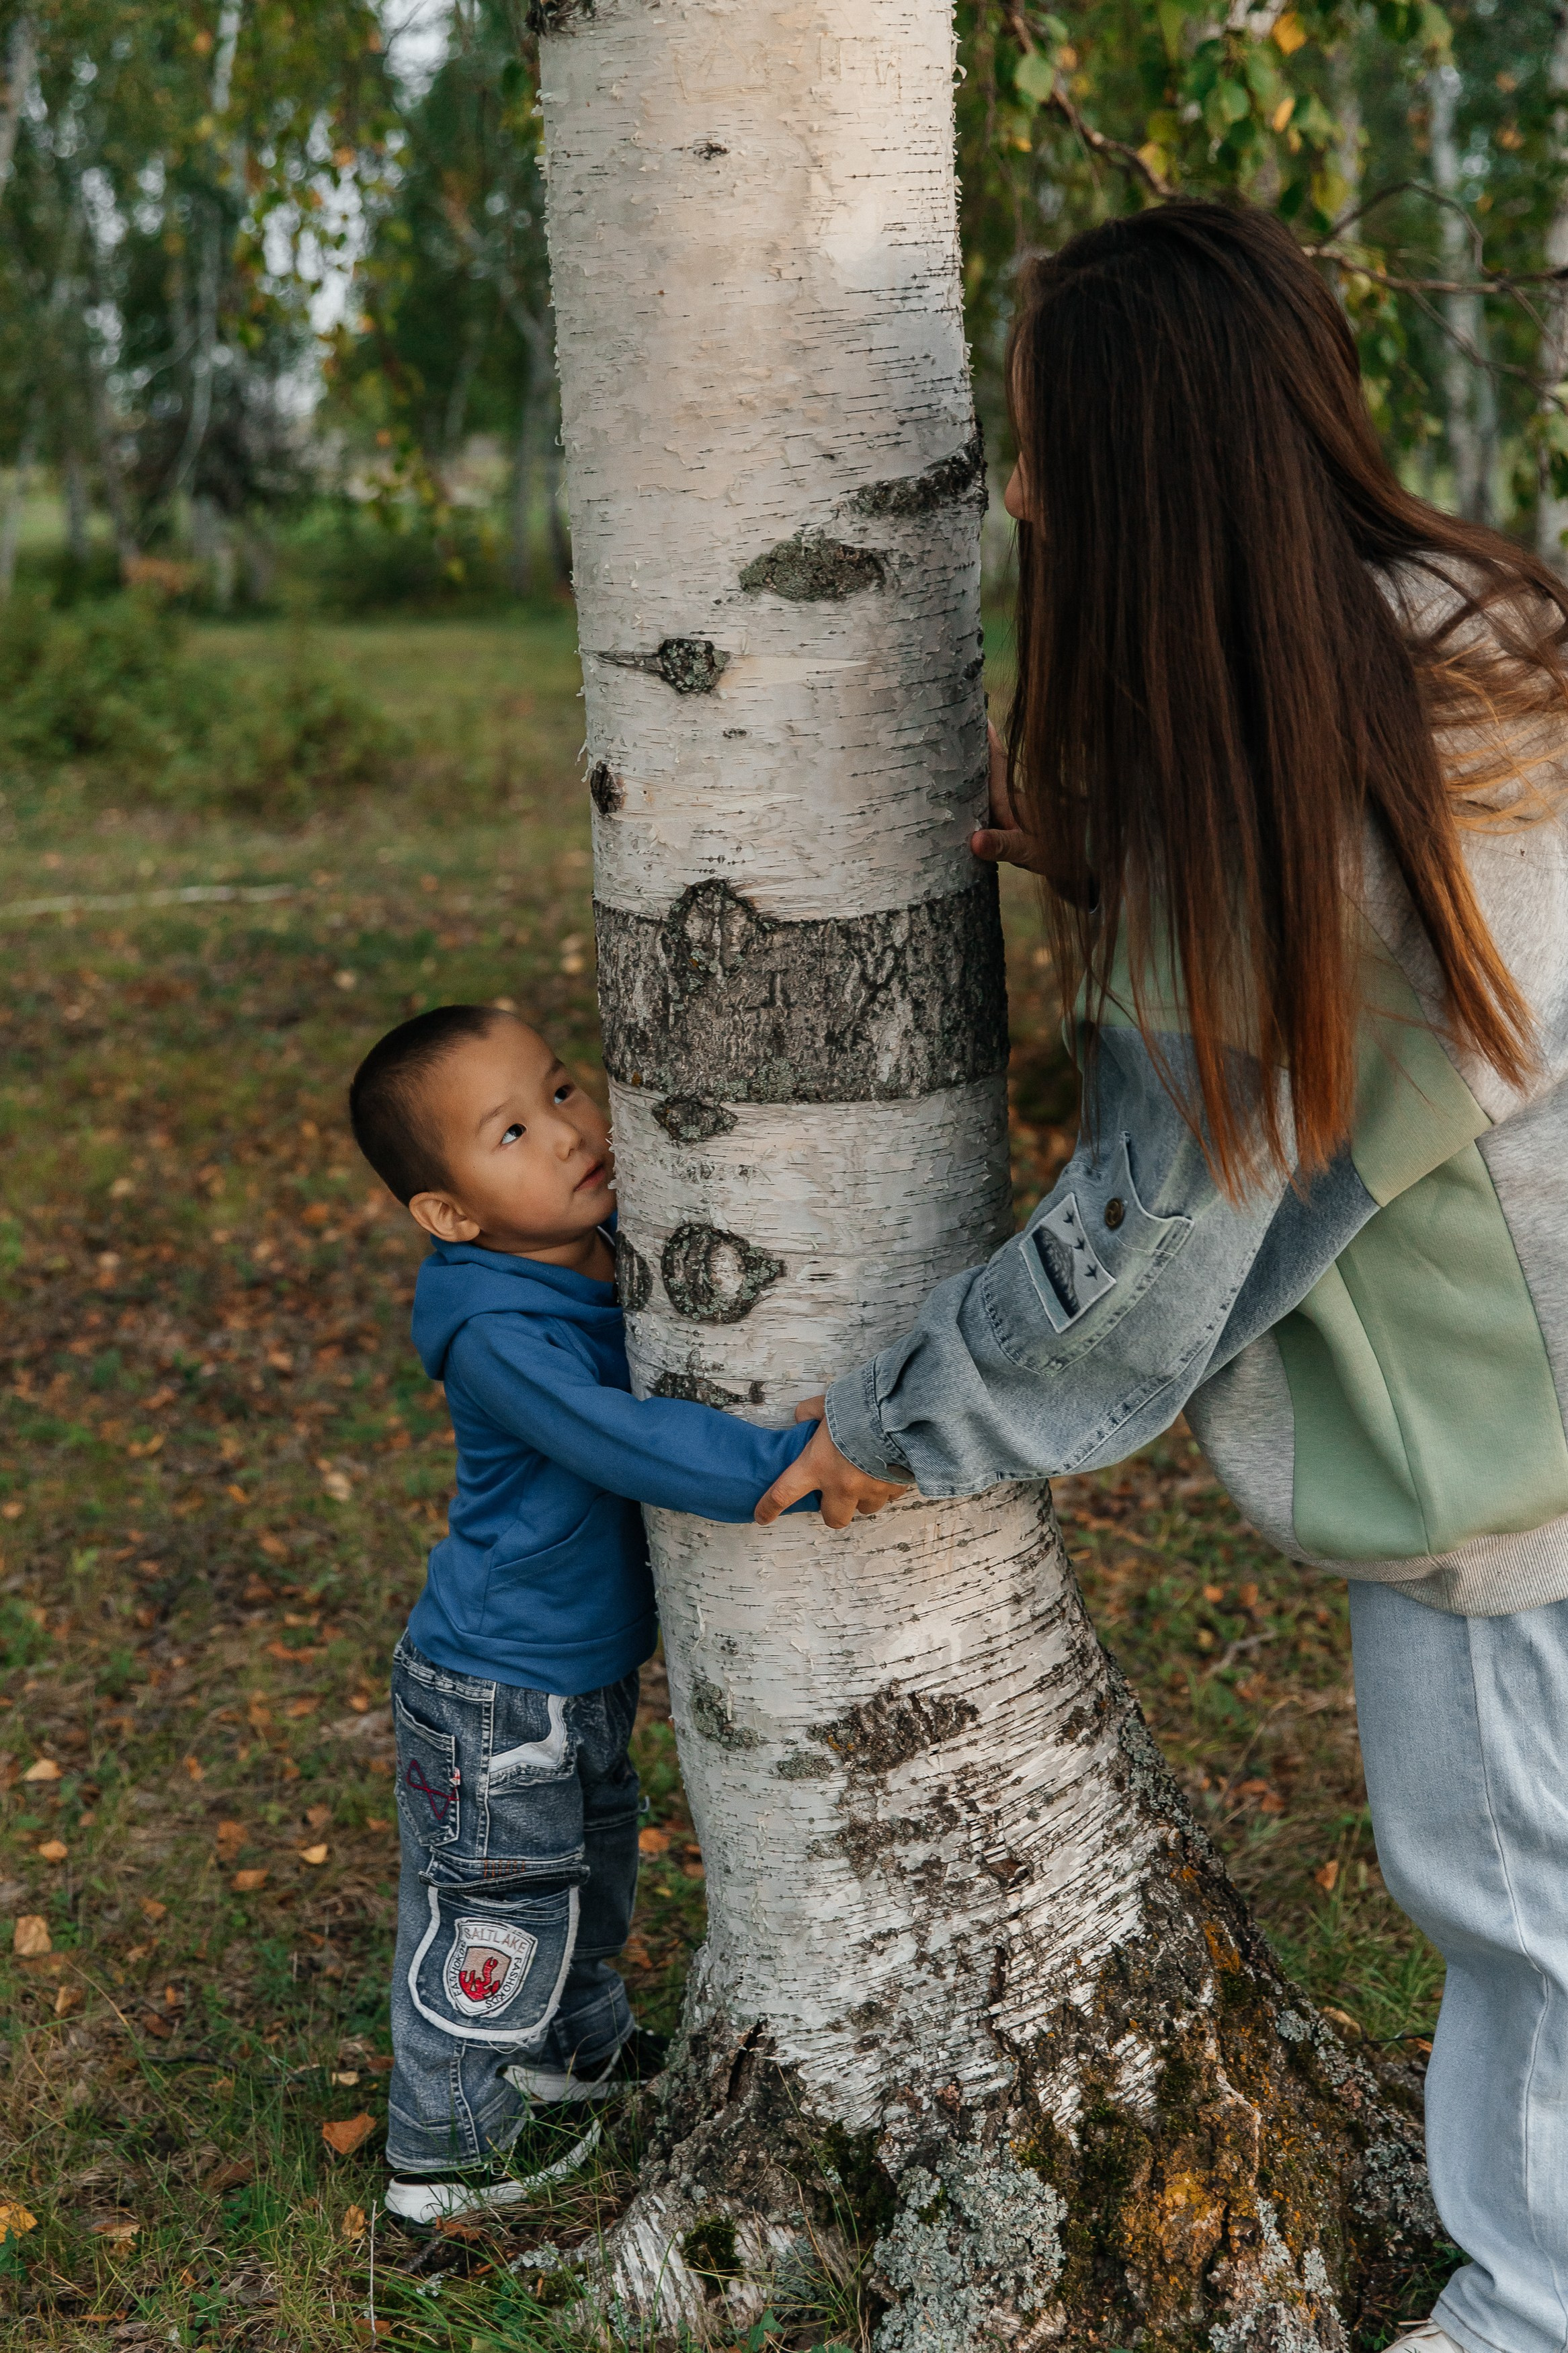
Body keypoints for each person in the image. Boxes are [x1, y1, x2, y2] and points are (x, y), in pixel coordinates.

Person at [756, 202, 1568, 2353]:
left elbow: (1156, 1234)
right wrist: (1118, 849)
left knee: (1520, 1899)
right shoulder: (1478, 625)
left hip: (1501, 1459)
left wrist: (903, 1413)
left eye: (1034, 448)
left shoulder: (1271, 810)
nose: (1017, 495)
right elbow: (1423, 973)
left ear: (1146, 468)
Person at [347, 1003, 818, 2227]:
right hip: (497, 1683)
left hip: (577, 1670)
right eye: (510, 1130)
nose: (565, 1133)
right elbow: (620, 1436)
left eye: (559, 1092)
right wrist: (775, 1466)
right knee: (498, 1899)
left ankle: (571, 2056)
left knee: (590, 1865)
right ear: (451, 1215)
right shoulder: (498, 1329)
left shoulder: (604, 1251)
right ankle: (443, 2152)